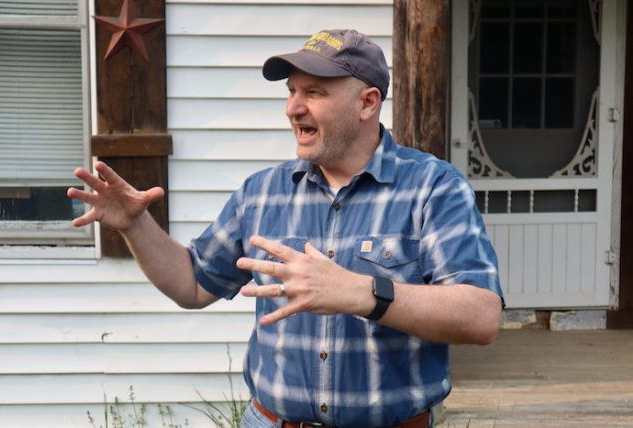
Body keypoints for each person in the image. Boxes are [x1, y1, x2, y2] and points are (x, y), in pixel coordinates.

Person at [68, 29, 503, 428]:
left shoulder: (433, 187)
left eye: (314, 92)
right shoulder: (261, 193)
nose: (293, 107)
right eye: (292, 91)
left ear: (367, 103)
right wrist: (134, 224)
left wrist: (361, 293)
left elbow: (480, 316)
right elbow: (192, 284)